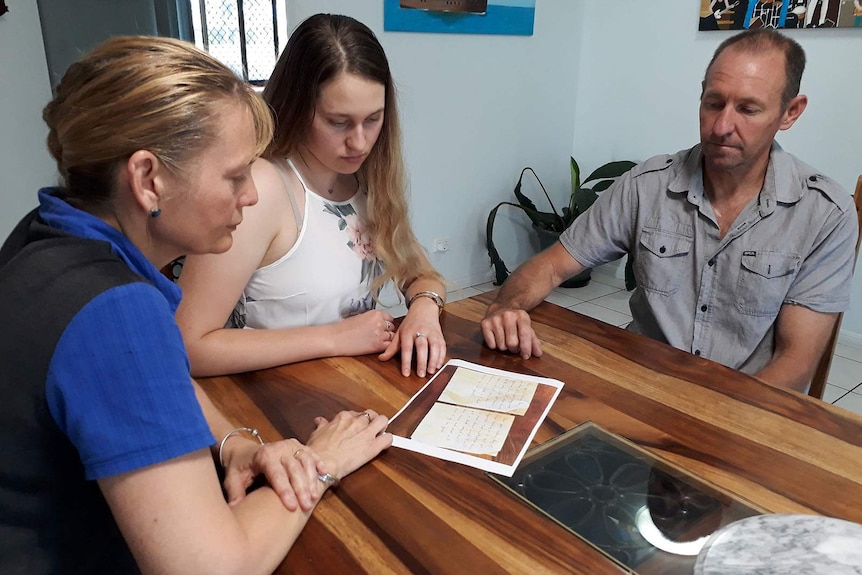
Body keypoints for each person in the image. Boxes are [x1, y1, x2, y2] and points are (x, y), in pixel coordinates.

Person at [0, 36, 391, 575]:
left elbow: (147, 382)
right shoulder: (115, 312)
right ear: (148, 179)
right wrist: (322, 462)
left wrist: (233, 445)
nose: (250, 196)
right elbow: (214, 568)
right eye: (234, 176)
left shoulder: (43, 235)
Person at [481, 29, 857, 393]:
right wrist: (506, 307)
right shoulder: (648, 185)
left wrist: (710, 425)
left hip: (746, 407)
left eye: (748, 109)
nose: (723, 125)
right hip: (640, 388)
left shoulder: (825, 214)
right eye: (714, 103)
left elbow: (797, 362)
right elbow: (551, 265)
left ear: (790, 113)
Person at [175, 14, 447, 379]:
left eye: (373, 119)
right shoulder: (263, 187)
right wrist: (334, 338)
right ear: (299, 107)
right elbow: (188, 346)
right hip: (270, 401)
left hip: (349, 390)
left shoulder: (365, 180)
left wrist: (424, 310)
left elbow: (421, 275)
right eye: (338, 122)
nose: (360, 142)